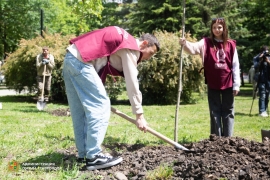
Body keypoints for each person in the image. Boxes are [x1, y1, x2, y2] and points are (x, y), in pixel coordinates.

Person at [62, 26, 160, 170]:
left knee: (80, 111)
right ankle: (94, 155)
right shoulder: (131, 47)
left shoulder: (123, 38)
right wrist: (139, 115)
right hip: (81, 62)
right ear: (144, 43)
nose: (147, 58)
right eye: (150, 54)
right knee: (101, 105)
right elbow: (132, 82)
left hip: (71, 58)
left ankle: (84, 154)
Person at [179, 18, 240, 137]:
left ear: (224, 28)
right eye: (214, 27)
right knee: (214, 111)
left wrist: (236, 84)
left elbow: (235, 65)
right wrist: (185, 43)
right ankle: (216, 138)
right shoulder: (205, 42)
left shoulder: (231, 44)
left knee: (228, 111)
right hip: (213, 82)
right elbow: (193, 48)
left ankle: (228, 138)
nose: (217, 30)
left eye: (219, 27)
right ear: (211, 29)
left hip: (228, 82)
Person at [253, 46, 270, 117]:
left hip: (268, 78)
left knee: (267, 95)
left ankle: (265, 110)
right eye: (264, 51)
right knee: (262, 94)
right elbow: (256, 67)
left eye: (267, 51)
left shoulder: (269, 57)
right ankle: (261, 111)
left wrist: (268, 61)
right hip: (261, 78)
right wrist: (260, 60)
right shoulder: (256, 58)